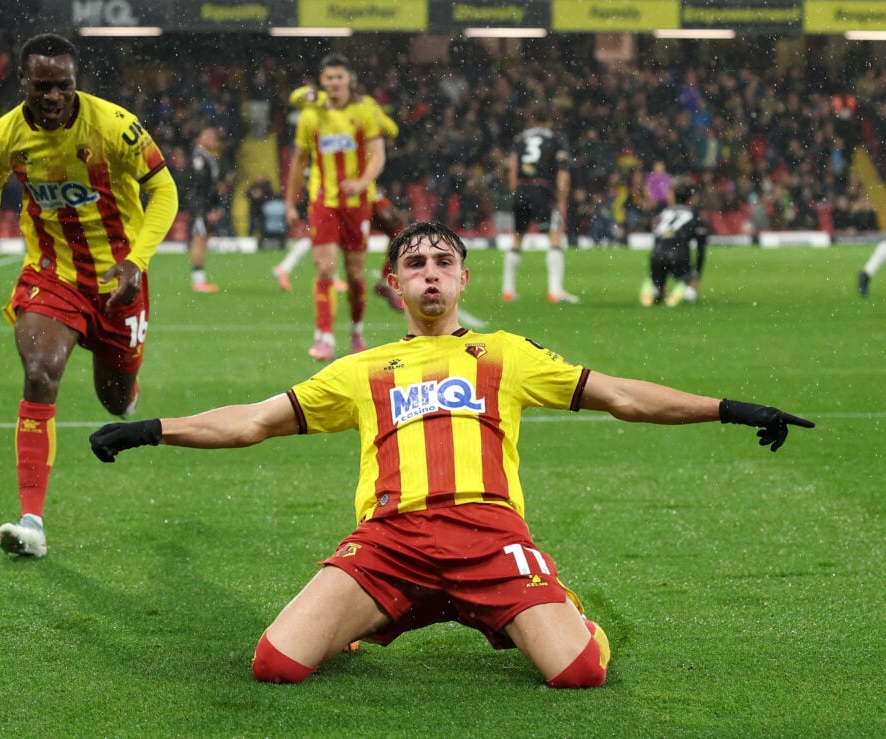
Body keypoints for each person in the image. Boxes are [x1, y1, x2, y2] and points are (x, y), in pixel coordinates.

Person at [88, 220, 813, 687]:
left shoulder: (506, 353)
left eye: (443, 261)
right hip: (390, 541)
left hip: (489, 537)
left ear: (464, 279)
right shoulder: (364, 368)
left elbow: (622, 394)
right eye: (415, 262)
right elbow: (250, 421)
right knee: (275, 665)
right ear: (394, 283)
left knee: (580, 671)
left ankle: (562, 613)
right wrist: (151, 427)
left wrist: (730, 408)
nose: (430, 271)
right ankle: (379, 609)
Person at [0, 33, 179, 558]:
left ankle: (127, 381)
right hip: (51, 274)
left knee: (116, 401)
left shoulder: (114, 126)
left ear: (76, 83)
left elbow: (163, 189)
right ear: (24, 83)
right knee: (39, 371)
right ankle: (32, 521)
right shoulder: (1, 138)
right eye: (42, 87)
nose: (54, 97)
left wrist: (136, 261)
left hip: (119, 280)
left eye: (64, 87)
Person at [282, 54, 386, 360]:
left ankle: (356, 329)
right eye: (329, 78)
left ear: (349, 79)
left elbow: (378, 155)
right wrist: (290, 203)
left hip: (357, 204)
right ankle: (324, 336)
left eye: (340, 77)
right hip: (323, 202)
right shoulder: (311, 115)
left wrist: (362, 182)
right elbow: (298, 160)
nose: (335, 82)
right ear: (322, 81)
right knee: (325, 268)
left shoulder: (364, 109)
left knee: (355, 275)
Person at [274, 81, 404, 312]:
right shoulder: (322, 104)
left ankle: (385, 282)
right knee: (327, 248)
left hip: (364, 191)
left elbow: (393, 130)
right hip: (330, 191)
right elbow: (296, 96)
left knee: (400, 231)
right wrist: (313, 97)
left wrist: (375, 114)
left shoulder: (366, 108)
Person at [502, 105, 576, 304]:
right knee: (554, 237)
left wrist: (514, 192)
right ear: (548, 121)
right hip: (541, 190)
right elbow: (562, 172)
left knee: (517, 238)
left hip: (521, 189)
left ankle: (508, 291)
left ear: (531, 120)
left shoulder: (520, 139)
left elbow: (512, 168)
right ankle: (555, 291)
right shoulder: (555, 139)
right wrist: (561, 199)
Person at [640, 183, 709, 307]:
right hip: (679, 254)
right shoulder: (694, 215)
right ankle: (685, 293)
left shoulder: (664, 213)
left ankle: (656, 290)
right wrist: (696, 275)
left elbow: (657, 236)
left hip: (658, 254)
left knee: (658, 290)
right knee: (690, 282)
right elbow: (700, 249)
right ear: (690, 199)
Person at [185, 124, 223, 293]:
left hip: (204, 206)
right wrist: (204, 209)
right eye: (207, 134)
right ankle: (198, 282)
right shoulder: (198, 157)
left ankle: (200, 280)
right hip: (200, 207)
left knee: (202, 239)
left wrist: (216, 206)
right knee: (199, 240)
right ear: (198, 138)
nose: (212, 138)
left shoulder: (207, 156)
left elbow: (210, 186)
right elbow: (199, 185)